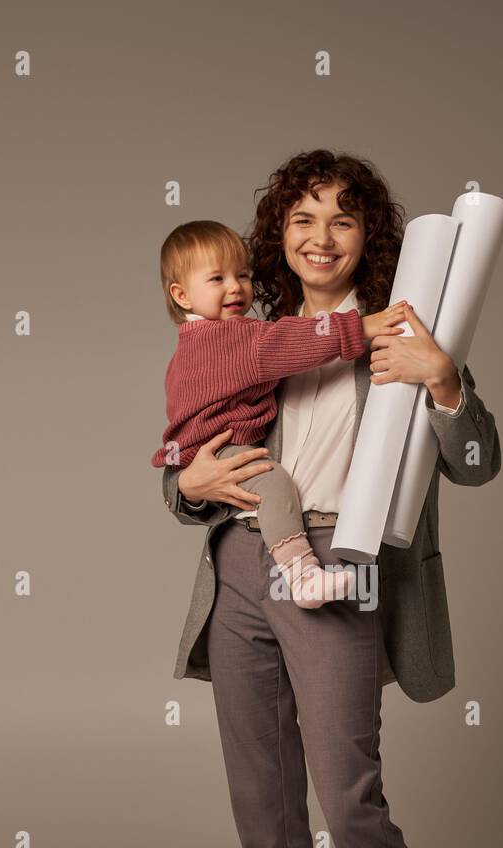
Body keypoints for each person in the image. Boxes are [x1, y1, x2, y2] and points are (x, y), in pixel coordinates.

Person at [160, 150, 502, 848]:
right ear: (279, 235)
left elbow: (477, 462)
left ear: (369, 240)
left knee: (349, 805)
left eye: (343, 220)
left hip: (339, 570)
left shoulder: (405, 332)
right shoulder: (251, 332)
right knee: (262, 807)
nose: (320, 236)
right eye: (303, 218)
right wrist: (184, 488)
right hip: (240, 566)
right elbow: (191, 434)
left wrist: (444, 383)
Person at [153, 219, 411, 605]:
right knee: (272, 481)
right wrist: (365, 326)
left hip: (201, 455)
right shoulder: (237, 337)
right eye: (217, 279)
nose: (235, 287)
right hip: (222, 460)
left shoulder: (188, 346)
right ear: (182, 295)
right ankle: (304, 576)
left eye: (242, 275)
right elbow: (295, 340)